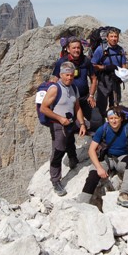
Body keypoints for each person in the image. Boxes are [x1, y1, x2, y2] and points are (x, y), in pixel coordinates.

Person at [79, 106, 128, 208]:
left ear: (121, 119)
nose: (114, 121)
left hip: (122, 158)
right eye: (111, 118)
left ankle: (124, 194)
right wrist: (99, 168)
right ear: (108, 120)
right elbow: (91, 150)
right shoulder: (103, 129)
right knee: (93, 175)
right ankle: (82, 202)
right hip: (106, 159)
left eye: (116, 118)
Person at [40, 61, 88, 196]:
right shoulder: (55, 88)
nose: (69, 78)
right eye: (67, 75)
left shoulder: (74, 88)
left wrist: (83, 124)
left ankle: (74, 159)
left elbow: (77, 107)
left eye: (72, 75)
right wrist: (59, 118)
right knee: (58, 151)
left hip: (71, 120)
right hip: (58, 123)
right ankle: (55, 181)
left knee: (93, 127)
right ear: (61, 75)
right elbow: (44, 108)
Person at [52, 36, 99, 130]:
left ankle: (97, 141)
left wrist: (91, 96)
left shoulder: (86, 61)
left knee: (97, 119)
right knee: (69, 126)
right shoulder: (62, 62)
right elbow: (55, 79)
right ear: (68, 49)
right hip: (68, 99)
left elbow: (94, 79)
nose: (76, 50)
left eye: (78, 47)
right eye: (74, 48)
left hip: (84, 97)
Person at [91, 27, 127, 119]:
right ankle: (100, 123)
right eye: (111, 36)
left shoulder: (120, 50)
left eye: (116, 36)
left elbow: (124, 64)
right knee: (101, 103)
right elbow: (93, 64)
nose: (114, 39)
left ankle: (113, 123)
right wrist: (105, 67)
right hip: (104, 80)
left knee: (115, 103)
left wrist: (122, 74)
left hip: (116, 79)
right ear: (107, 38)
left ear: (118, 38)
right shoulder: (100, 49)